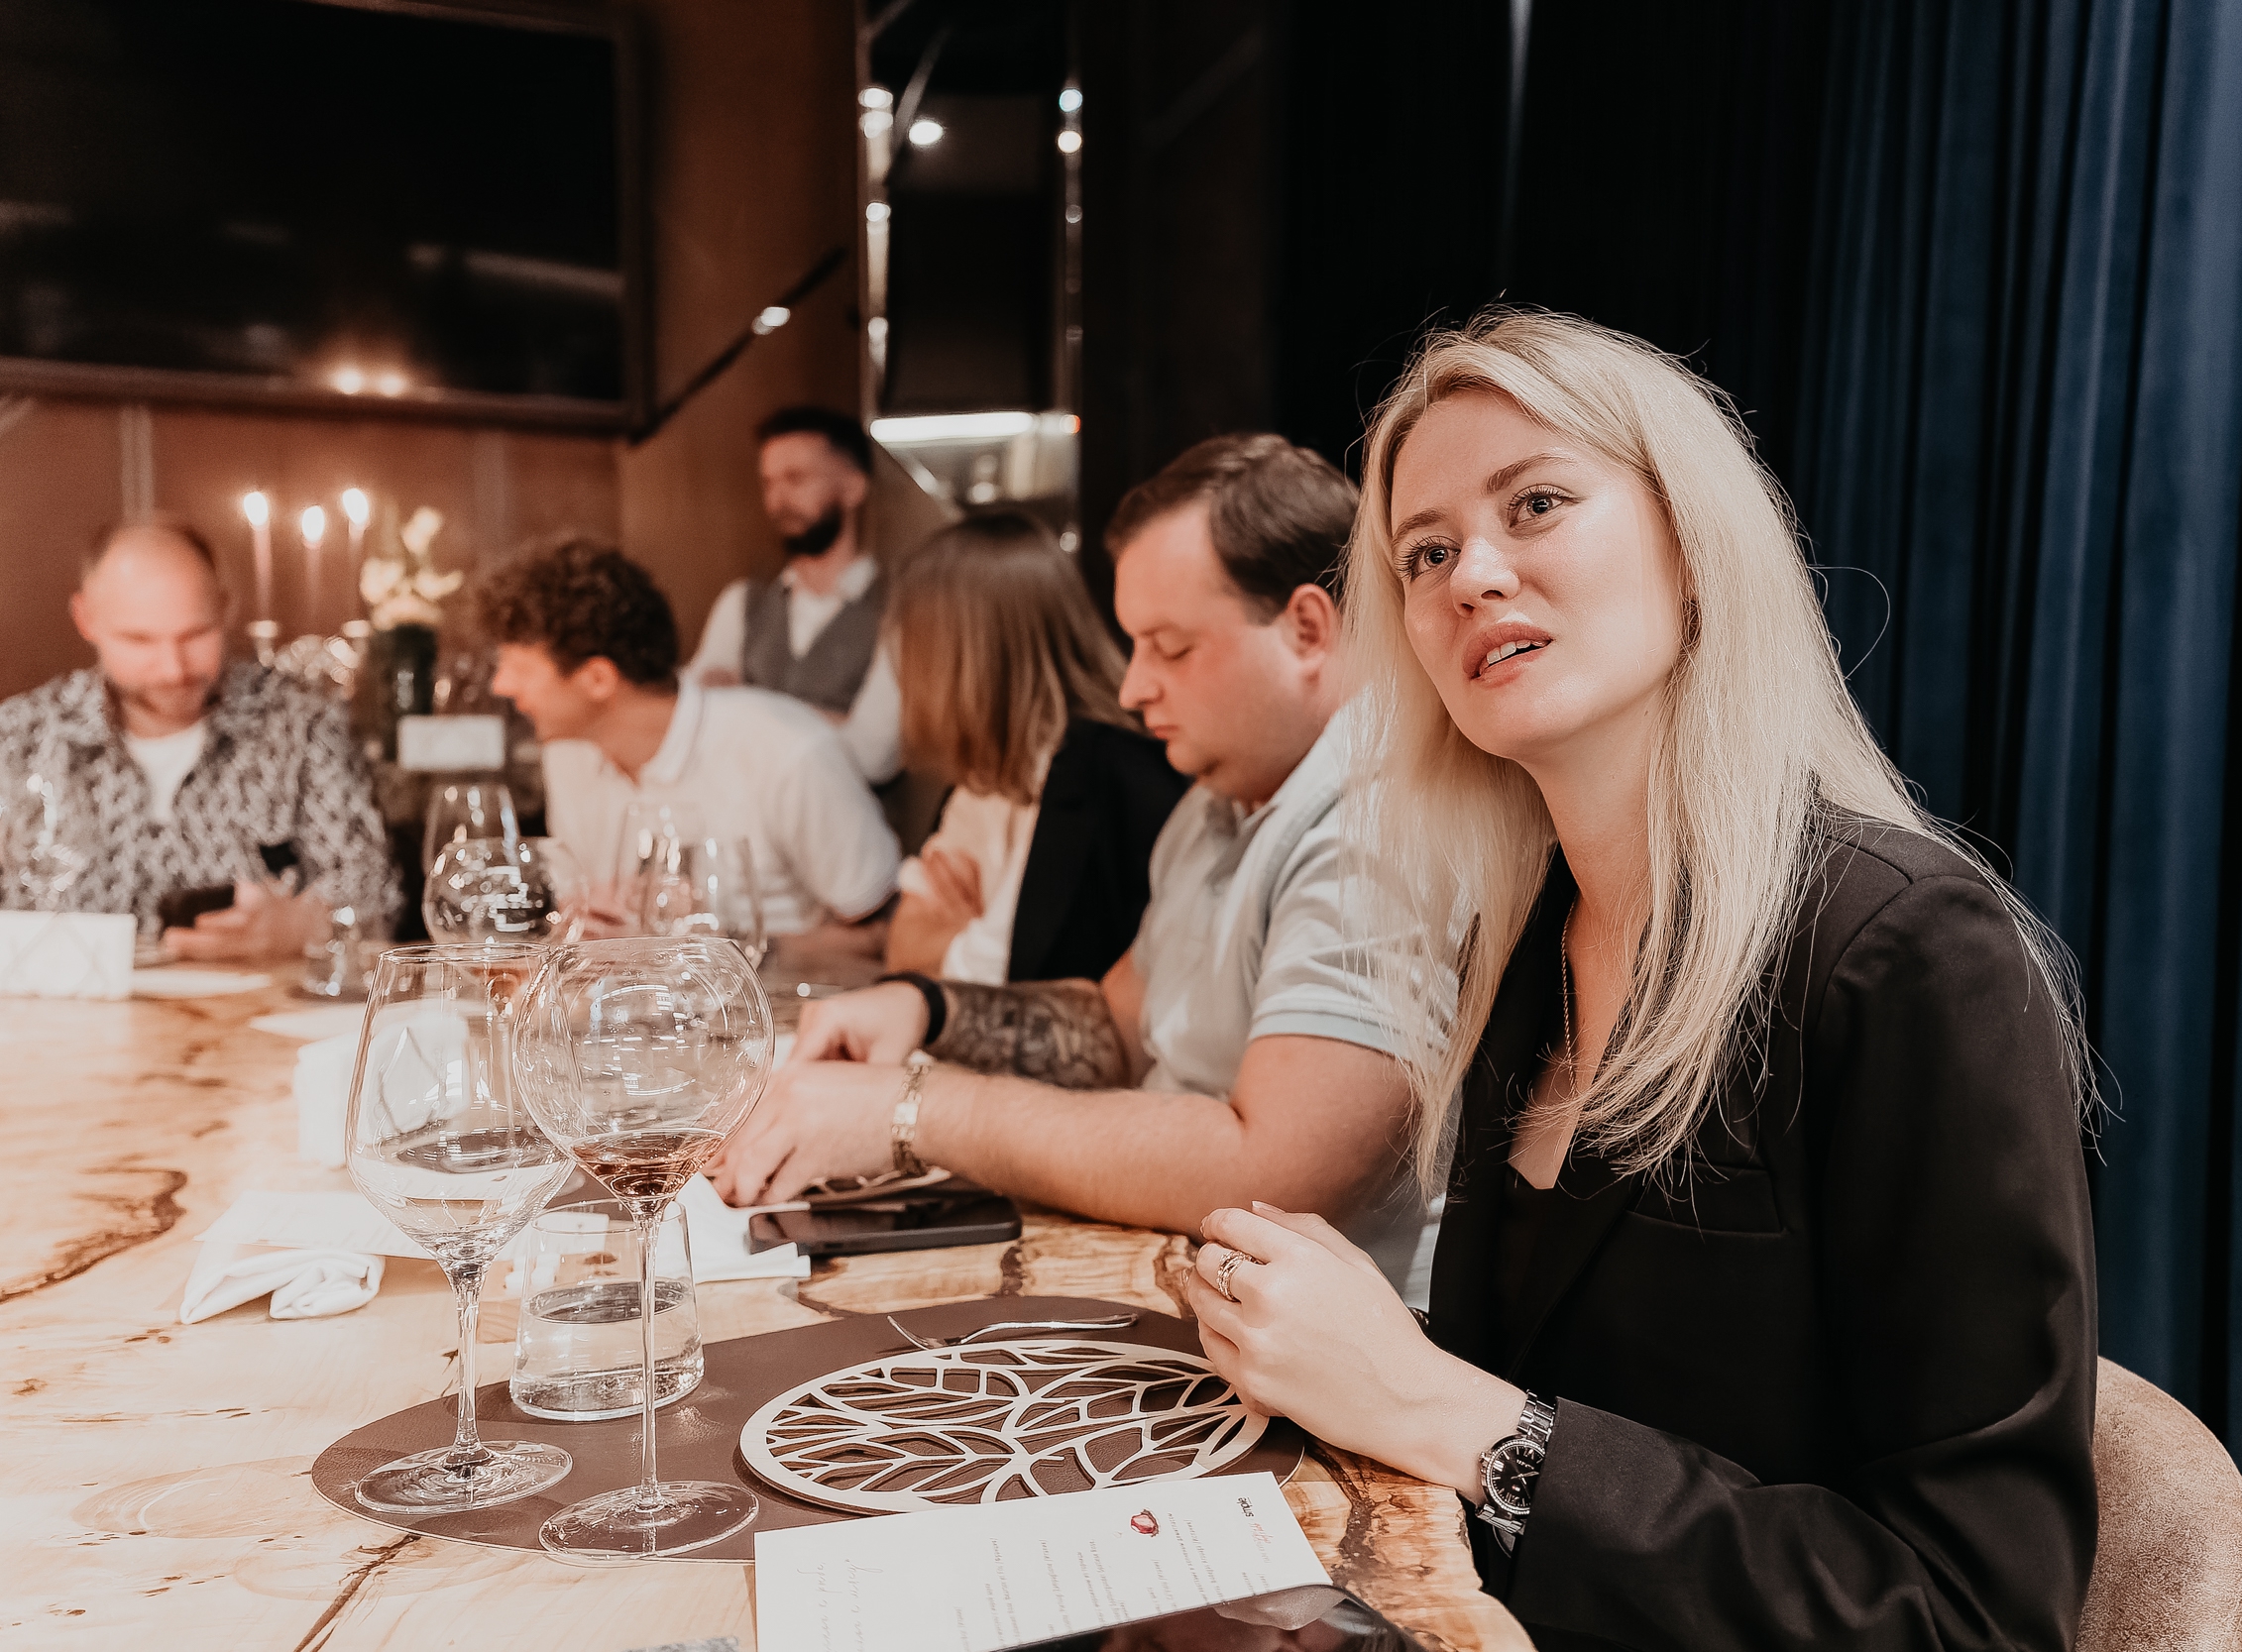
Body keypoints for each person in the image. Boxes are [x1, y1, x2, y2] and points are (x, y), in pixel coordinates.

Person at [1177, 313, 2098, 1651]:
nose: (1471, 574)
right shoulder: (1531, 944)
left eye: (1536, 503)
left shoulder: (1907, 950)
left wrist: (1440, 1404)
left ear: (1693, 545)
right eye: (1424, 552)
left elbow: (1973, 1610)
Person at [711, 434, 1444, 1290]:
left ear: (1307, 629)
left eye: (1170, 646)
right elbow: (1116, 1024)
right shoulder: (1219, 801)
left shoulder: (1378, 817)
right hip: (1184, 1281)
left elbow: (1273, 1173)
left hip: (1325, 1341)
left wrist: (910, 1108)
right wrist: (927, 1010)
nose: (1133, 688)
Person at [0, 518, 397, 958]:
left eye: (196, 635)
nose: (173, 669)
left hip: (256, 1001)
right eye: (139, 641)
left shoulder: (302, 723)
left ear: (225, 608)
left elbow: (376, 896)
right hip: (58, 1004)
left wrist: (304, 927)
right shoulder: (19, 738)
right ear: (86, 619)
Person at [479, 538, 900, 952]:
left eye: (520, 668)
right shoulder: (568, 753)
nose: (501, 685)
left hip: (779, 997)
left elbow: (885, 935)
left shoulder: (787, 750)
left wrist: (725, 946)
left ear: (599, 679)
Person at [878, 512, 1188, 985]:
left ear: (962, 658)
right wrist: (966, 942)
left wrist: (957, 935)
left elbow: (1025, 982)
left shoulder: (1113, 779)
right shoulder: (983, 779)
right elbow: (902, 954)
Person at [684, 405, 901, 783]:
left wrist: (744, 701)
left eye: (796, 479)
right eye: (768, 483)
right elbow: (692, 720)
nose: (777, 500)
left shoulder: (899, 611)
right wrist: (832, 720)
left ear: (853, 488)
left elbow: (871, 756)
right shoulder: (741, 602)